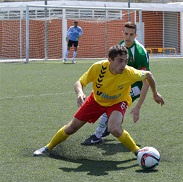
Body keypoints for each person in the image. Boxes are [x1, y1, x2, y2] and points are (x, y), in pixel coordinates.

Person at [34, 44, 164, 157]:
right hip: (96, 100)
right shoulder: (98, 68)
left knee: (113, 128)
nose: (123, 65)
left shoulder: (129, 72)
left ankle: (138, 152)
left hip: (118, 101)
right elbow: (79, 82)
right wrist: (80, 93)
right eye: (119, 61)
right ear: (110, 60)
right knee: (71, 128)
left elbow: (148, 75)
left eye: (125, 61)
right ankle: (47, 148)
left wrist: (154, 93)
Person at [81, 22, 150, 145]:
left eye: (131, 35)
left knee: (113, 102)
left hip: (136, 85)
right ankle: (109, 126)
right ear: (122, 33)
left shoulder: (139, 53)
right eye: (126, 34)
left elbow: (146, 79)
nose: (128, 37)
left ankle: (98, 134)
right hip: (123, 81)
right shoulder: (121, 45)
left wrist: (138, 106)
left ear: (136, 35)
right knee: (106, 97)